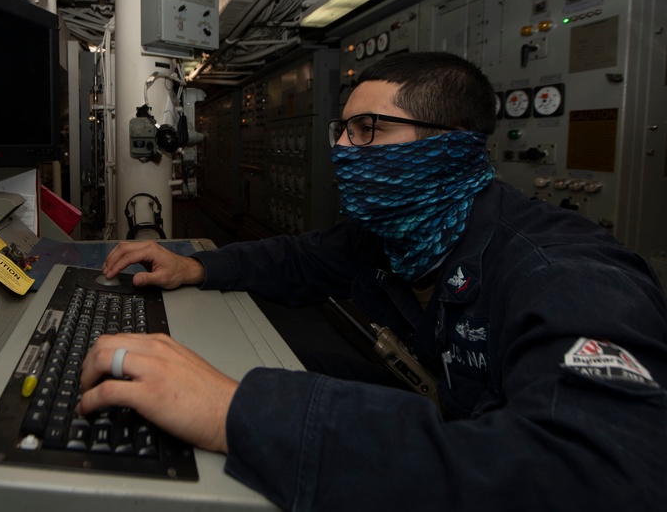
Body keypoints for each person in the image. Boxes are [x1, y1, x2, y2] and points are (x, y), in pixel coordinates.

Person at [76, 52, 667, 510]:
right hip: (456, 423)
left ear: (450, 145)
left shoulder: (564, 275)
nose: (341, 149)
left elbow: (595, 480)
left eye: (367, 131)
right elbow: (302, 259)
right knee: (300, 361)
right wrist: (198, 266)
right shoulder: (399, 233)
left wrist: (242, 413)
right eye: (343, 130)